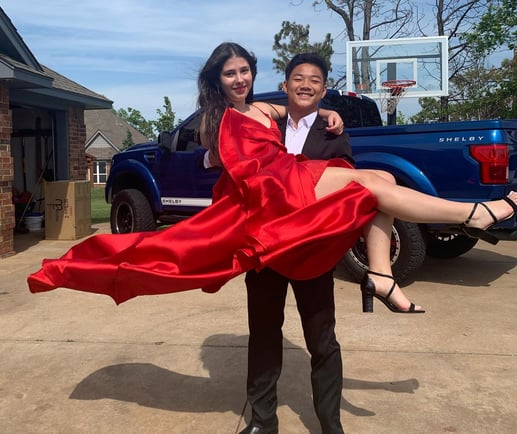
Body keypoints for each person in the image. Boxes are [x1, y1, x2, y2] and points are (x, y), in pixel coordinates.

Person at [28, 41, 516, 308]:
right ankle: (474, 214)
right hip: (269, 193)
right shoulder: (211, 117)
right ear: (215, 80)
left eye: (244, 71)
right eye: (229, 73)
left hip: (288, 179)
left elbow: (303, 111)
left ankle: (383, 277)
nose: (238, 79)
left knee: (380, 186)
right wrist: (213, 155)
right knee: (372, 182)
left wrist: (330, 115)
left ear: (254, 74)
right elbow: (220, 158)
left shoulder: (266, 106)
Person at [239, 52, 416, 434]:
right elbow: (241, 117)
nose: (306, 84)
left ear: (323, 89)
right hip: (266, 252)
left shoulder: (335, 134)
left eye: (315, 80)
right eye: (298, 78)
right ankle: (262, 420)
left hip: (313, 254)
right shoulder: (263, 122)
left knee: (322, 342)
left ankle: (330, 424)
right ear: (284, 86)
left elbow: (351, 195)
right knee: (264, 337)